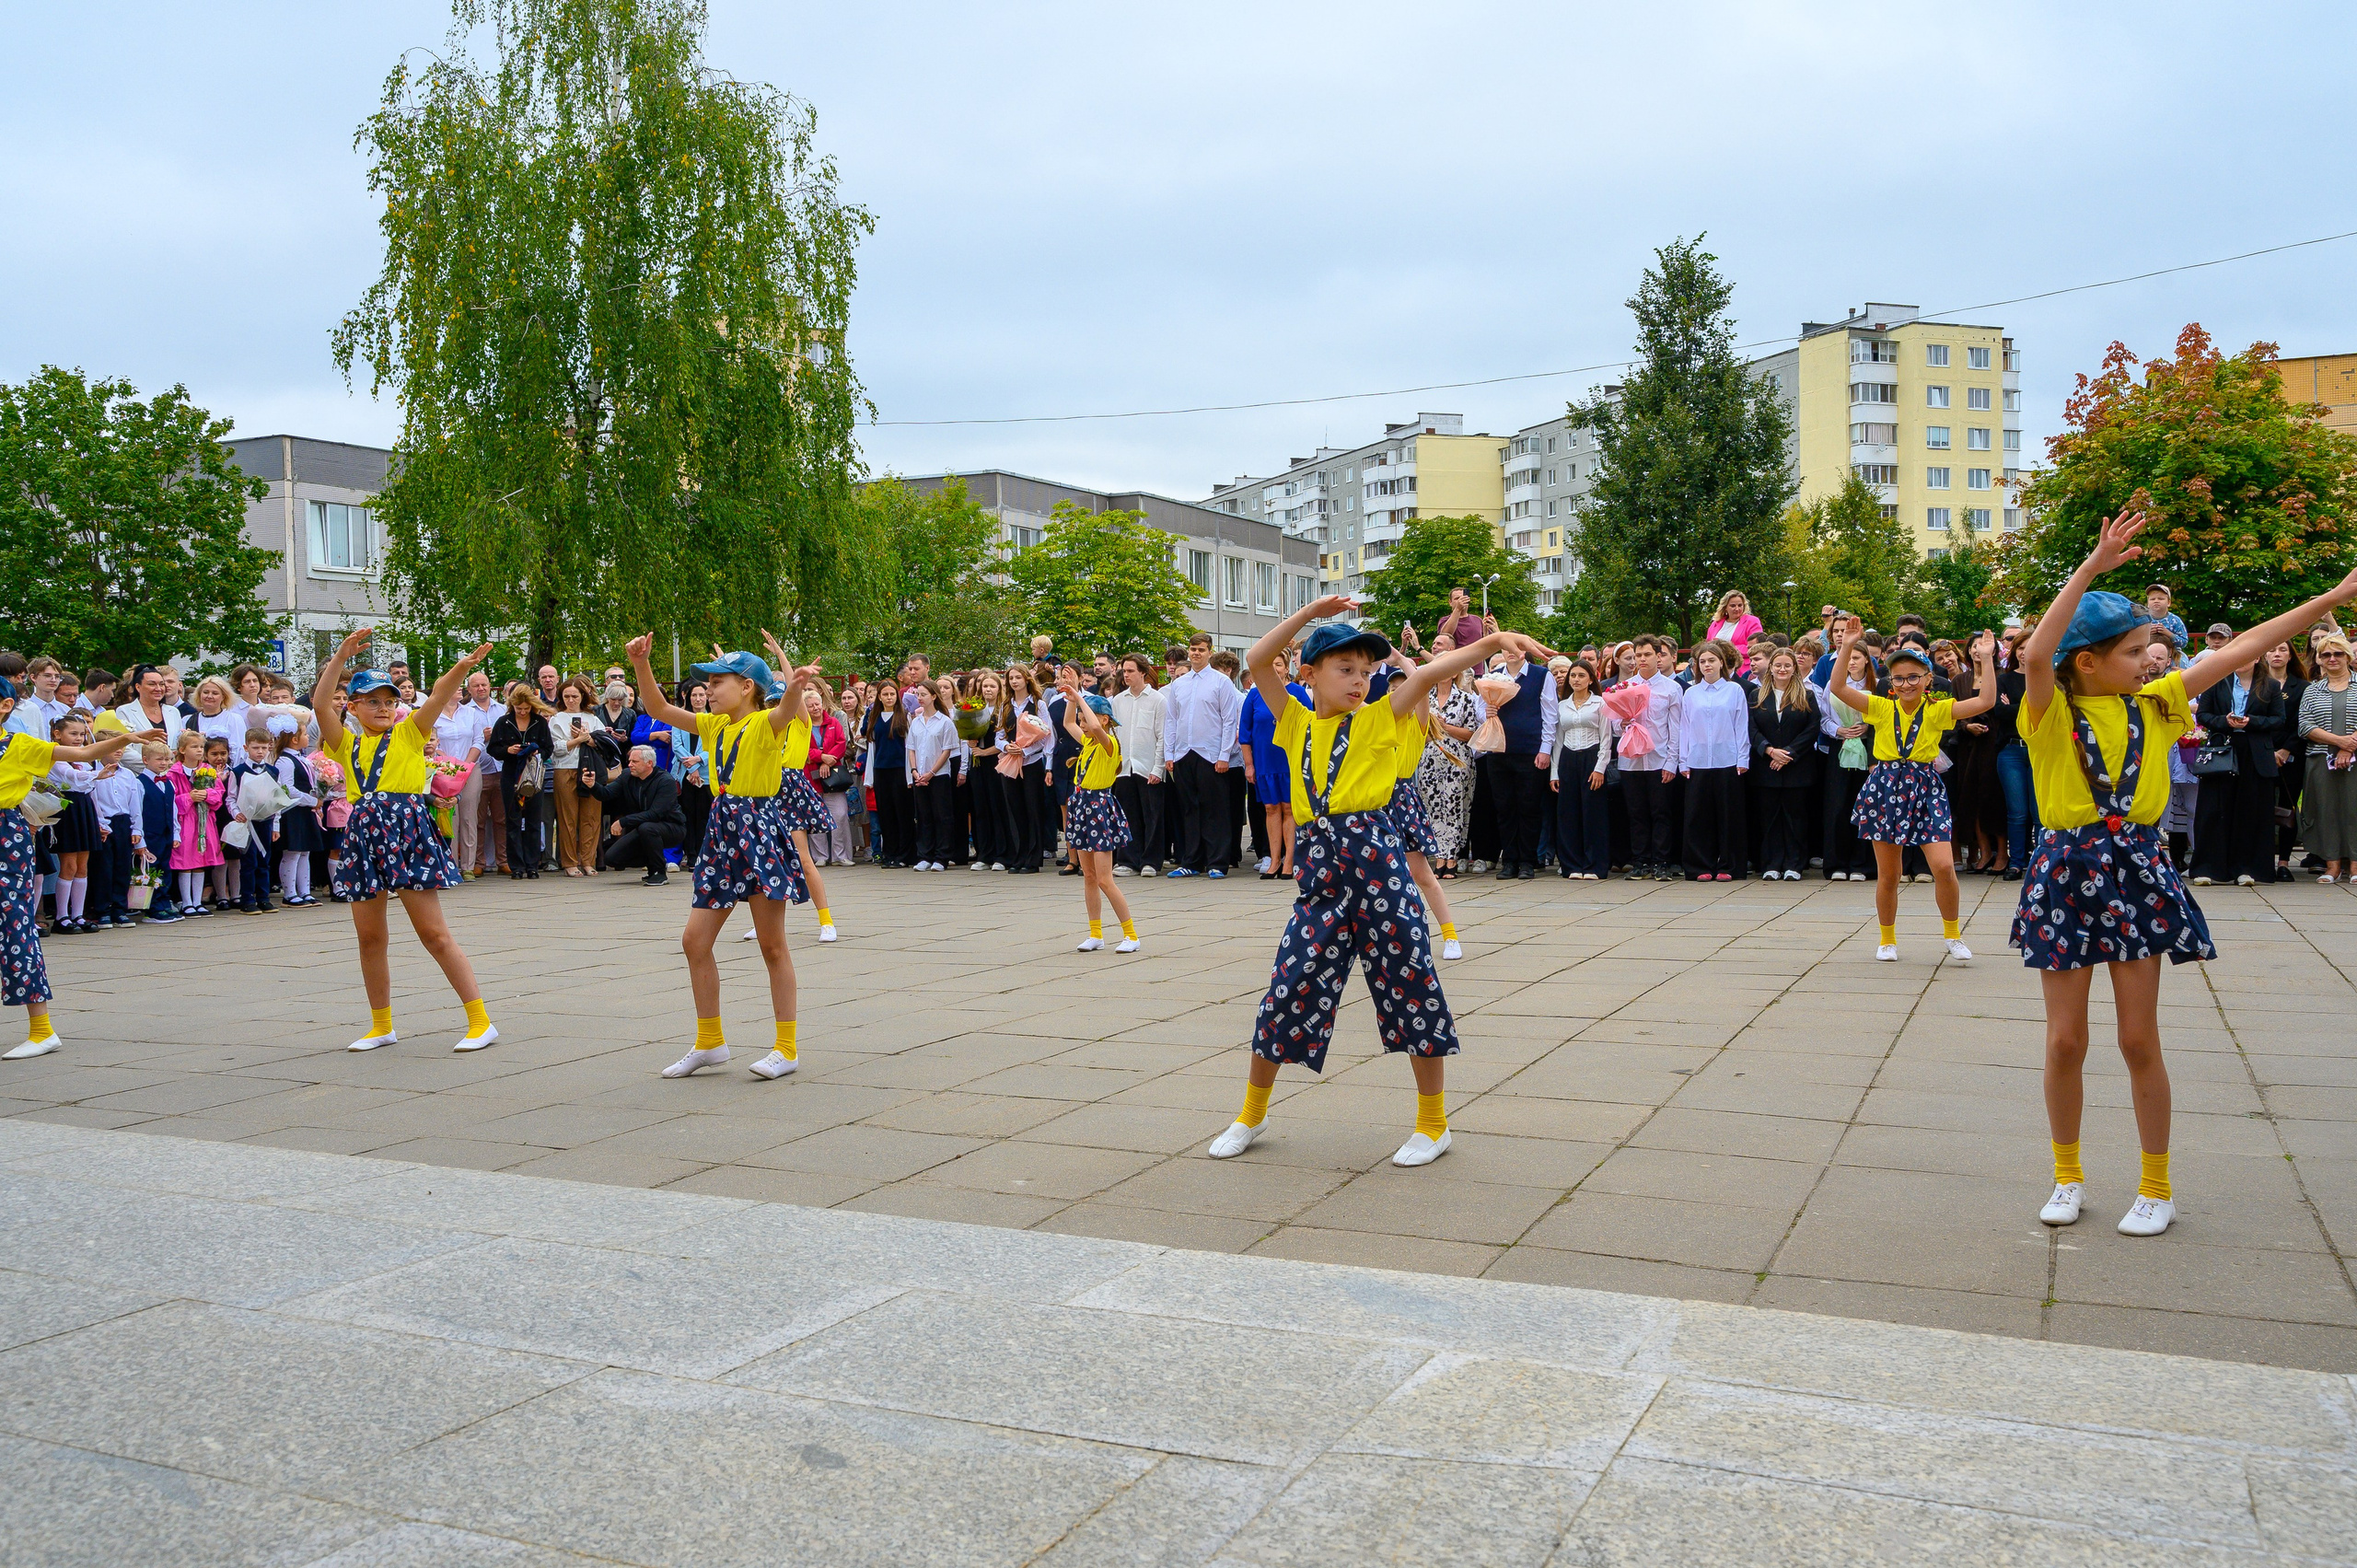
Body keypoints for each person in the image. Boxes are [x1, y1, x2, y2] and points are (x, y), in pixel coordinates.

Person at [2014, 508, 2357, 1237]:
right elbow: (2038, 653)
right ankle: (2067, 1174)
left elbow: (2252, 646)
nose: (2153, 658)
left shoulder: (2159, 702)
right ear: (2089, 661)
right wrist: (2090, 569)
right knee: (2064, 1039)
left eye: (2154, 647)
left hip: (2137, 871)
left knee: (2140, 1038)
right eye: (2138, 648)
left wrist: (2330, 599)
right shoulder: (2048, 710)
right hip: (2066, 873)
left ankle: (2156, 1183)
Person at [1211, 600, 1541, 1169]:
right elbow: (1262, 657)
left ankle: (1433, 1124)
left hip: (1378, 866)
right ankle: (1251, 1111)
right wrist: (1314, 610)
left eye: (1366, 671)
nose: (1360, 681)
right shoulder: (1293, 720)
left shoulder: (1379, 717)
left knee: (1411, 985)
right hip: (1319, 872)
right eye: (1346, 669)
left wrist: (1494, 640)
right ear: (1309, 674)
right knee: (1288, 989)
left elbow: (1435, 671)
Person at [627, 633, 817, 1083]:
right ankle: (710, 1041)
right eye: (707, 684)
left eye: (717, 682)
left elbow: (787, 708)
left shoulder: (765, 724)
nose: (708, 690)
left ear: (747, 687)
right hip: (722, 830)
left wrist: (795, 683)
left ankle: (786, 1048)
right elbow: (658, 709)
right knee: (695, 941)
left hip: (760, 829)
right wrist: (641, 664)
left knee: (772, 945)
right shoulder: (714, 726)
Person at [311, 629, 499, 1055]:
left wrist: (461, 668)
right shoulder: (346, 743)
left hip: (407, 831)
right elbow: (322, 704)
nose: (383, 708)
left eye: (389, 700)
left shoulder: (409, 733)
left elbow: (436, 697)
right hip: (363, 835)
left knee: (433, 932)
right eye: (372, 701)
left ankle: (480, 1020)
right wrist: (341, 654)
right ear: (354, 706)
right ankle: (382, 1024)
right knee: (370, 937)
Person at [0, 680, 160, 1058]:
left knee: (13, 923)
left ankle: (42, 1030)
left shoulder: (18, 745)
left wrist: (126, 738)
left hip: (5, 836)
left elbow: (84, 750)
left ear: (5, 705)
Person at [1829, 623, 1998, 960]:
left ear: (1927, 679)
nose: (1906, 684)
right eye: (1899, 678)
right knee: (1889, 873)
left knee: (1944, 866)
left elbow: (1986, 700)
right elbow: (1837, 687)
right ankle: (1887, 939)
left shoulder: (1938, 709)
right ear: (1891, 683)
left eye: (1913, 677)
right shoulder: (1879, 707)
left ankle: (1953, 935)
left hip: (1924, 787)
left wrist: (1988, 659)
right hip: (1886, 786)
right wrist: (1848, 645)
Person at [1374, 650, 1462, 959]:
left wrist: (1399, 657)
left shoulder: (1417, 724)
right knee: (1378, 879)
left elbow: (1422, 683)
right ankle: (1380, 940)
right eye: (1393, 690)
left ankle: (1450, 936)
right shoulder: (1377, 721)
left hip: (1401, 801)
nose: (1399, 693)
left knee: (1423, 876)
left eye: (1404, 688)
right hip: (1375, 803)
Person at [741, 678, 841, 940]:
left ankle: (826, 920)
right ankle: (764, 923)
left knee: (804, 859)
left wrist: (782, 658)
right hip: (764, 791)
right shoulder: (764, 725)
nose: (776, 706)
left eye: (780, 701)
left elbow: (796, 689)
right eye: (772, 702)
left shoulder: (800, 725)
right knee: (762, 861)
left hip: (790, 791)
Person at [1051, 667, 1140, 954]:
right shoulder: (1087, 742)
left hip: (1099, 807)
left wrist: (1080, 696)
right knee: (1089, 876)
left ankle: (1131, 934)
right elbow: (1067, 724)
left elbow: (1098, 729)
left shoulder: (1107, 743)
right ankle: (1096, 933)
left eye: (1087, 719)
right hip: (1081, 806)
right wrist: (1071, 697)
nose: (1083, 724)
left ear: (1103, 718)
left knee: (1104, 878)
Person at [2189, 649, 2287, 888]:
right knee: (2214, 809)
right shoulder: (2216, 682)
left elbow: (2278, 720)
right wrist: (2225, 720)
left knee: (2250, 811)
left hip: (2254, 752)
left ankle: (2246, 868)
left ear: (2256, 658)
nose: (2241, 662)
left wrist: (2251, 721)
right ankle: (2208, 868)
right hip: (2223, 749)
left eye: (2247, 657)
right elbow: (2203, 714)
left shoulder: (2270, 686)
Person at [1163, 633, 1241, 879]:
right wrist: (1169, 753)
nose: (1196, 653)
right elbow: (1172, 720)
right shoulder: (1179, 684)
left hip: (1210, 754)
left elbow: (1229, 720)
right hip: (1184, 753)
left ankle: (1217, 861)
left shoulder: (1221, 682)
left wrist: (1224, 755)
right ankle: (1191, 860)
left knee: (1215, 809)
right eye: (1193, 649)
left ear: (1209, 652)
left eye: (1201, 649)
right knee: (1189, 809)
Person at [1678, 640, 1749, 880]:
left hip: (1727, 759)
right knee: (1698, 816)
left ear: (1721, 662)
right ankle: (1700, 866)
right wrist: (1683, 760)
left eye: (1711, 660)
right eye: (1702, 661)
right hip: (1697, 761)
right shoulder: (1691, 693)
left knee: (1729, 816)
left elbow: (1741, 726)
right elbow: (1684, 728)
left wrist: (1743, 758)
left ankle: (1730, 866)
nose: (1707, 665)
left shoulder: (1734, 691)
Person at [1748, 646, 1818, 880]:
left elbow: (1812, 729)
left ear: (1794, 669)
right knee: (1769, 818)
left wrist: (1788, 753)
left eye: (1787, 665)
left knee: (1795, 819)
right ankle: (1771, 864)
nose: (1782, 669)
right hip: (1766, 767)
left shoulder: (1806, 696)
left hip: (1796, 767)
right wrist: (1768, 750)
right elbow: (1751, 729)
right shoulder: (1757, 696)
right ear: (1771, 668)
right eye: (1778, 665)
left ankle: (1794, 865)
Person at [1416, 646, 1480, 878]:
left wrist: (1444, 726)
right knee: (1433, 808)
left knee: (1454, 808)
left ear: (1454, 672)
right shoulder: (1424, 697)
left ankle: (1451, 859)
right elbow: (1417, 730)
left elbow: (1472, 733)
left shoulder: (1466, 698)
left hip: (1457, 762)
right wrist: (1431, 727)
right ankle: (1439, 857)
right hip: (1429, 760)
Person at [2299, 632, 2357, 882]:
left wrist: (2349, 747)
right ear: (2320, 660)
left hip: (2355, 759)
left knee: (2354, 811)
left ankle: (2355, 866)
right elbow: (2304, 726)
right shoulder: (2312, 691)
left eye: (2338, 653)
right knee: (2326, 812)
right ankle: (2332, 866)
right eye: (2326, 654)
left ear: (2348, 656)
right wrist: (2339, 741)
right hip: (2321, 760)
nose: (2332, 658)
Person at [1241, 655, 1304, 880]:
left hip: (1289, 760)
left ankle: (1289, 860)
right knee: (1270, 809)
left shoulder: (1297, 693)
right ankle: (1274, 859)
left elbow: (1308, 728)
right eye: (1269, 664)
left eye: (1277, 664)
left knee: (1289, 808)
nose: (1273, 669)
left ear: (1286, 668)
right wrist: (1249, 765)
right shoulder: (1255, 695)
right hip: (1264, 760)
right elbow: (1245, 733)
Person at [1550, 658, 1610, 880]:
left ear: (1591, 679)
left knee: (1593, 812)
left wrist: (1600, 768)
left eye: (1581, 676)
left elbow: (1606, 740)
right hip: (1567, 757)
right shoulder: (1561, 705)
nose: (1576, 679)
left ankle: (1595, 865)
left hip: (1591, 757)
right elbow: (1557, 740)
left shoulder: (1600, 704)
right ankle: (1571, 864)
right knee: (1568, 813)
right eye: (1573, 676)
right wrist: (1554, 772)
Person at [594, 745, 687, 884]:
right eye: (629, 761)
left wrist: (623, 822)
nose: (630, 764)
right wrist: (592, 785)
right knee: (612, 858)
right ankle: (651, 862)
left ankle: (659, 872)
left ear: (649, 763)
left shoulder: (665, 781)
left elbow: (655, 814)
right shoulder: (627, 775)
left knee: (647, 828)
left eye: (634, 762)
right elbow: (606, 794)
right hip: (642, 828)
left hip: (672, 828)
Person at [1109, 656, 1167, 877]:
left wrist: (1157, 768)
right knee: (1127, 815)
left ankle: (1151, 861)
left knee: (1152, 816)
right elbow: (1113, 733)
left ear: (1143, 672)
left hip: (1148, 766)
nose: (1126, 675)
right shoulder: (1118, 700)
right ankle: (1128, 860)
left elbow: (1162, 736)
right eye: (1124, 671)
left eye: (1131, 671)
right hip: (1124, 767)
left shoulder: (1158, 700)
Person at [488, 683, 552, 879]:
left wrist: (535, 751)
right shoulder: (503, 722)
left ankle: (533, 864)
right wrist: (508, 750)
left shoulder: (539, 722)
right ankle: (516, 866)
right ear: (512, 706)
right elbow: (493, 749)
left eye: (526, 709)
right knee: (513, 820)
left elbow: (548, 748)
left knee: (533, 820)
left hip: (533, 776)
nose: (523, 712)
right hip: (511, 775)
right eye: (519, 709)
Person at [546, 679, 607, 877]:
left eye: (575, 696)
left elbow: (603, 743)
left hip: (589, 768)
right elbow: (555, 748)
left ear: (582, 697)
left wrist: (587, 739)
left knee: (590, 816)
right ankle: (570, 862)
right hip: (565, 769)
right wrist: (577, 740)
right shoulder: (557, 719)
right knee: (567, 817)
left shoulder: (593, 718)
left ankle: (588, 860)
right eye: (567, 696)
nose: (571, 700)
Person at [904, 678, 960, 872]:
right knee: (923, 815)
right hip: (919, 775)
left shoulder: (945, 722)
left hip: (939, 775)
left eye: (923, 695)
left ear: (934, 696)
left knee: (942, 815)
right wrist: (914, 771)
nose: (919, 698)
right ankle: (924, 855)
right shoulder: (916, 722)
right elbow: (911, 748)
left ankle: (942, 856)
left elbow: (947, 751)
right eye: (918, 694)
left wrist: (932, 772)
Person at [166, 731, 224, 918]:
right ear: (182, 750)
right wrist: (188, 797)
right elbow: (170, 799)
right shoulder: (174, 772)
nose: (199, 750)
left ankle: (197, 902)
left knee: (200, 860)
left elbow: (218, 792)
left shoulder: (207, 770)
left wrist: (207, 795)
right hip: (185, 821)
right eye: (194, 747)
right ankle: (186, 902)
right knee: (185, 861)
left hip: (203, 820)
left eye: (201, 747)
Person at [1705, 591, 1764, 662]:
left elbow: (1756, 648)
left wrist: (1726, 648)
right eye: (1733, 606)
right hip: (1717, 667)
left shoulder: (1752, 621)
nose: (1737, 609)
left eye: (1740, 605)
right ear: (1725, 607)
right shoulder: (1715, 624)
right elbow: (1707, 646)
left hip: (1741, 667)